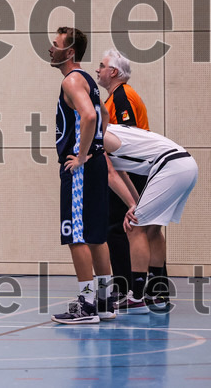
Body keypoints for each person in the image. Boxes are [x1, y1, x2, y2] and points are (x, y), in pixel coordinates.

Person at [48, 27, 116, 324]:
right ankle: (105, 301)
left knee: (77, 236)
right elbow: (105, 116)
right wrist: (96, 150)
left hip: (82, 169)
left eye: (56, 44)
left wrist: (81, 156)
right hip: (97, 165)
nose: (51, 48)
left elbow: (90, 116)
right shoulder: (89, 80)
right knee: (97, 236)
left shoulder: (72, 80)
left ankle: (87, 305)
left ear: (70, 51)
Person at [103, 124, 198, 313]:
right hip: (186, 164)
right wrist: (135, 203)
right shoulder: (111, 129)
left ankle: (136, 297)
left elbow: (110, 174)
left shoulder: (98, 135)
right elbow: (121, 171)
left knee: (133, 227)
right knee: (153, 229)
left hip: (169, 166)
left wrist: (131, 207)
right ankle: (156, 293)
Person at [95, 49, 151, 300]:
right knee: (119, 227)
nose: (98, 70)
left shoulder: (122, 96)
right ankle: (133, 286)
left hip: (131, 171)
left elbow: (128, 138)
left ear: (113, 72)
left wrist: (124, 181)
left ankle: (125, 287)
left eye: (102, 66)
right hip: (127, 170)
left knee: (118, 228)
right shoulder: (112, 99)